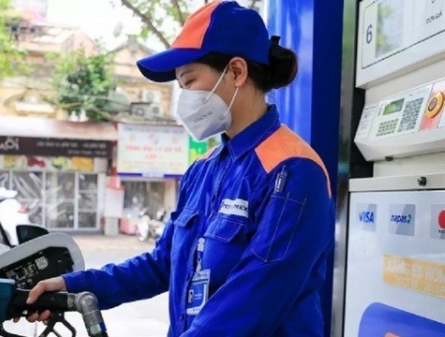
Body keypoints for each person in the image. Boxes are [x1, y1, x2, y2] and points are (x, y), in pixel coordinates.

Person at [22, 1, 334, 336]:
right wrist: (72, 287)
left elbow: (255, 297)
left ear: (236, 72)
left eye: (188, 81)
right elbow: (162, 264)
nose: (183, 97)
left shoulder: (293, 171)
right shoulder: (203, 170)